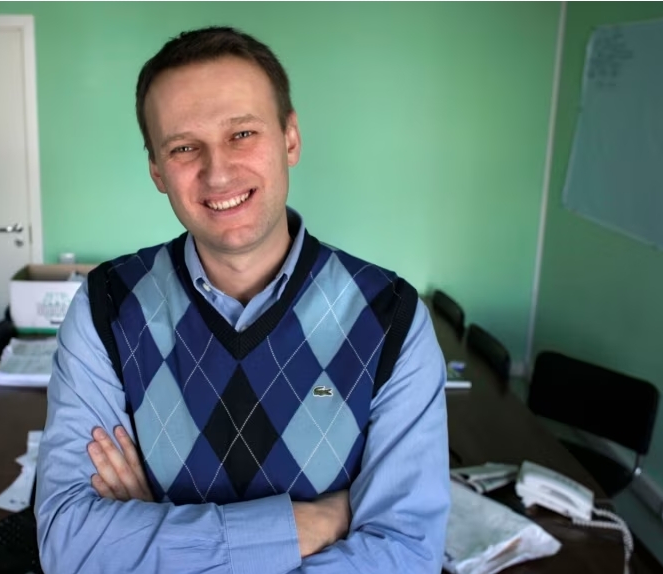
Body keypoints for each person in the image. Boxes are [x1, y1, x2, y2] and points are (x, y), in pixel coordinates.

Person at [35, 26, 450, 574]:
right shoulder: (106, 306)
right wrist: (306, 525)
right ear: (158, 170)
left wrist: (154, 531)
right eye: (184, 147)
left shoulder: (392, 317)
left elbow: (404, 552)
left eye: (242, 134)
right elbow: (70, 543)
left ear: (291, 140)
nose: (218, 170)